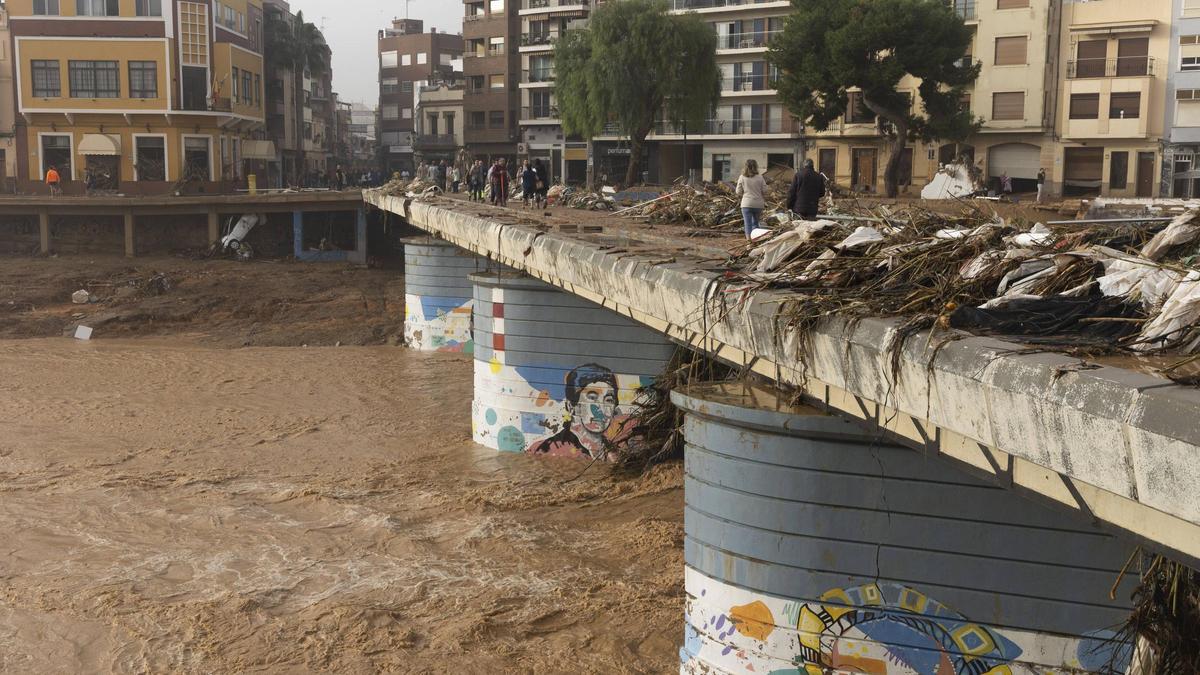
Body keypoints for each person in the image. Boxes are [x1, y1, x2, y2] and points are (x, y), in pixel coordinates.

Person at [528, 364, 630, 460]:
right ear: (572, 406)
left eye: (608, 400)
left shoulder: (613, 451)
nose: (601, 408)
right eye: (592, 398)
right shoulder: (551, 449)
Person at [736, 158, 767, 239]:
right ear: (756, 166)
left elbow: (738, 192)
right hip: (758, 204)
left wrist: (745, 193)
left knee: (747, 223)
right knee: (755, 223)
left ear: (745, 167)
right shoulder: (760, 177)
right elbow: (765, 190)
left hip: (746, 203)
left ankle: (749, 242)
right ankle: (756, 240)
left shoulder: (742, 177)